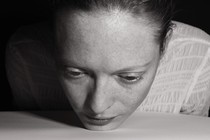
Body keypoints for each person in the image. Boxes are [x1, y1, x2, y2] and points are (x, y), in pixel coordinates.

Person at [6, 0, 210, 131]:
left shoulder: (199, 57)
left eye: (129, 77)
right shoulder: (24, 54)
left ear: (164, 46)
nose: (97, 106)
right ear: (54, 44)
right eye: (75, 73)